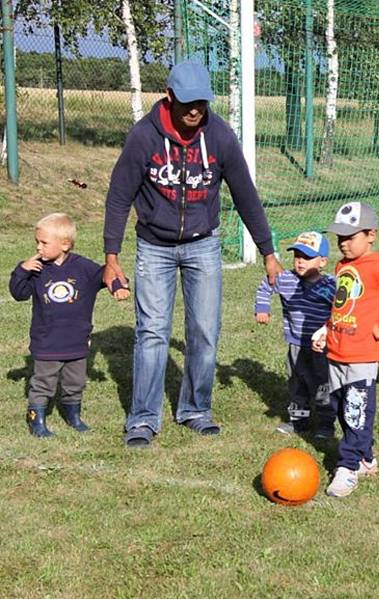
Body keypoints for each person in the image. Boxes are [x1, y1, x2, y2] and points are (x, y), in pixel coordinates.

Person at [103, 60, 280, 448]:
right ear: (169, 96)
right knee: (152, 333)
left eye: (201, 102)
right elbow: (119, 197)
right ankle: (144, 418)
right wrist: (111, 256)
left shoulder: (219, 136)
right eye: (187, 102)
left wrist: (268, 252)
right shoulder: (143, 137)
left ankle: (196, 409)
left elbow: (246, 196)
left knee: (205, 330)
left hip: (203, 245)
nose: (195, 110)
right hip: (154, 246)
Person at [312, 202, 379, 498]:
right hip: (336, 351)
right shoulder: (342, 266)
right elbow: (341, 306)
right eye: (339, 237)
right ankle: (366, 457)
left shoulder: (378, 266)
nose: (343, 243)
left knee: (356, 410)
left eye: (350, 237)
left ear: (371, 234)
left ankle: (347, 468)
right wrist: (325, 330)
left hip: (362, 355)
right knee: (339, 408)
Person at [9, 213, 129, 437]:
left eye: (44, 243)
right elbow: (18, 294)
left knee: (75, 382)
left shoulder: (82, 267)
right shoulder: (36, 270)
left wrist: (117, 285)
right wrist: (22, 270)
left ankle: (73, 415)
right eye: (37, 242)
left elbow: (106, 273)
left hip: (77, 340)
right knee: (43, 382)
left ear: (65, 244)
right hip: (47, 340)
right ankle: (36, 418)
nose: (38, 248)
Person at [254, 231, 337, 438]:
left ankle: (326, 423)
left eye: (307, 258)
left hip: (321, 348)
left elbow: (340, 311)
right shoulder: (287, 279)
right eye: (297, 256)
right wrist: (262, 308)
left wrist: (329, 333)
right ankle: (299, 421)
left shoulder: (330, 286)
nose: (300, 262)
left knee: (323, 384)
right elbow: (266, 286)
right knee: (297, 383)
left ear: (322, 261)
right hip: (296, 344)